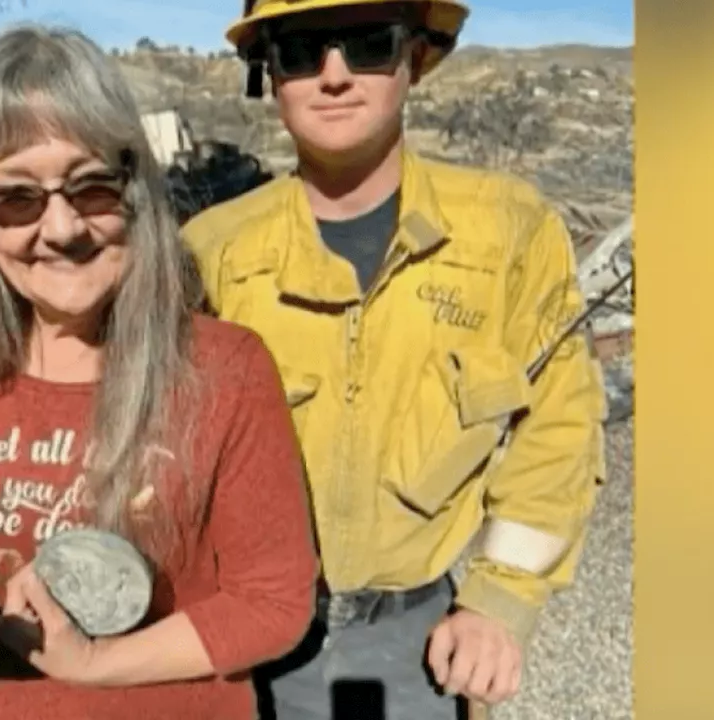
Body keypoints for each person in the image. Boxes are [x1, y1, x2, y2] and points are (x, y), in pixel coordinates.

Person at [0, 24, 320, 720]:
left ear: (135, 192)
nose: (62, 229)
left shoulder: (225, 368)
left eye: (91, 187)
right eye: (18, 199)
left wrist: (98, 666)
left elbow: (273, 603)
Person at [181, 1, 609, 718]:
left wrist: (499, 601)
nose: (335, 75)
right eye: (302, 51)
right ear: (268, 73)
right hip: (241, 637)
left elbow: (559, 430)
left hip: (416, 640)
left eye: (368, 45)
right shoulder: (209, 253)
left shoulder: (511, 232)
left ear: (413, 57)